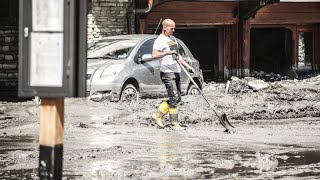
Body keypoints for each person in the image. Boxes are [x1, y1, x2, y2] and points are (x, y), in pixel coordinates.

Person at [151, 18, 195, 129]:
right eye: (171, 28)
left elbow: (177, 55)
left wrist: (187, 66)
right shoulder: (159, 40)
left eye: (174, 28)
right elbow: (154, 55)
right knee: (174, 96)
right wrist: (167, 53)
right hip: (167, 72)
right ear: (164, 28)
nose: (173, 30)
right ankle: (174, 123)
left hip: (176, 71)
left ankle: (157, 115)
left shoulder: (172, 39)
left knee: (177, 97)